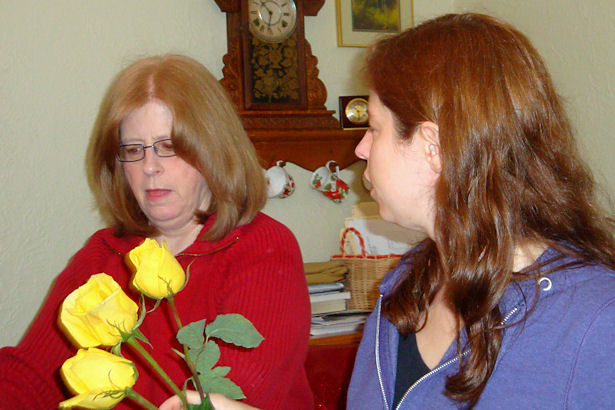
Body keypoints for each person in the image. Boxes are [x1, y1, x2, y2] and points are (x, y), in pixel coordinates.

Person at [0, 54, 313, 409]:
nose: (150, 167)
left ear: (214, 151)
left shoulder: (262, 246)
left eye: (170, 147)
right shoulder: (102, 255)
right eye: (133, 150)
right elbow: (30, 377)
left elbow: (230, 396)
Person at [347, 13, 615, 409]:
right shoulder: (406, 286)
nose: (361, 150)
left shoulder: (595, 322)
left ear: (432, 147)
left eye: (374, 128)